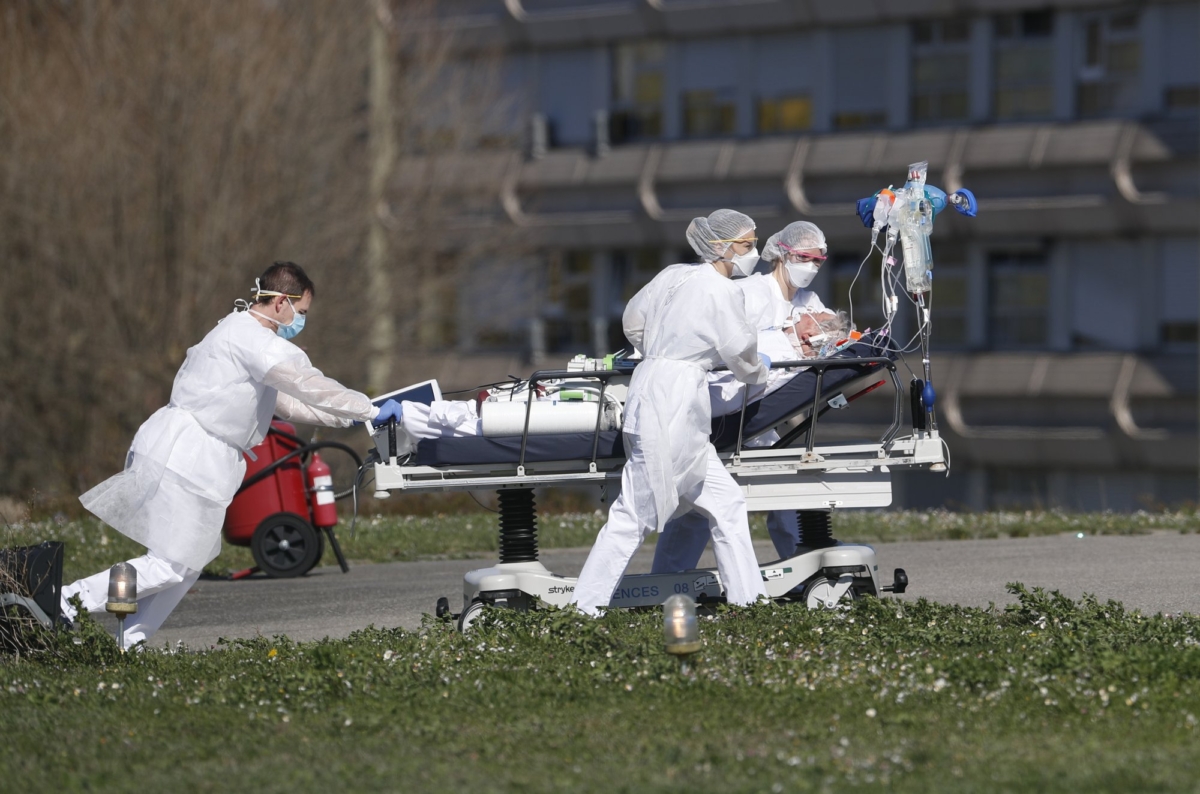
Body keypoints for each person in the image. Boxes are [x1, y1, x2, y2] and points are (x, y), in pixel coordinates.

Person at [60, 262, 403, 646]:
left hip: (195, 453)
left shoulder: (242, 332)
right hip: (186, 453)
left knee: (187, 564)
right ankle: (65, 602)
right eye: (301, 312)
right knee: (170, 564)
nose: (301, 321)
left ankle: (129, 642)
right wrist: (369, 408)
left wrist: (352, 416)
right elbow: (307, 382)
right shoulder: (252, 338)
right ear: (281, 302)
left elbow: (289, 403)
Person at [569, 209, 770, 616]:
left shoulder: (673, 275)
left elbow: (632, 320)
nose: (755, 252)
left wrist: (661, 349)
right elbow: (741, 352)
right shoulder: (722, 291)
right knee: (633, 515)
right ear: (721, 246)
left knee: (727, 503)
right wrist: (759, 371)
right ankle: (583, 610)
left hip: (653, 388)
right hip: (673, 403)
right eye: (748, 245)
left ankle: (749, 603)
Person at [650, 220, 837, 573]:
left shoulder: (808, 301)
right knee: (696, 507)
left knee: (786, 497)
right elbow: (725, 346)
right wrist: (779, 342)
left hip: (764, 416)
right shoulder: (749, 292)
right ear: (782, 254)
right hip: (724, 407)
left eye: (818, 260)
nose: (812, 266)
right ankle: (667, 580)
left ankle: (802, 572)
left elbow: (831, 333)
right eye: (804, 258)